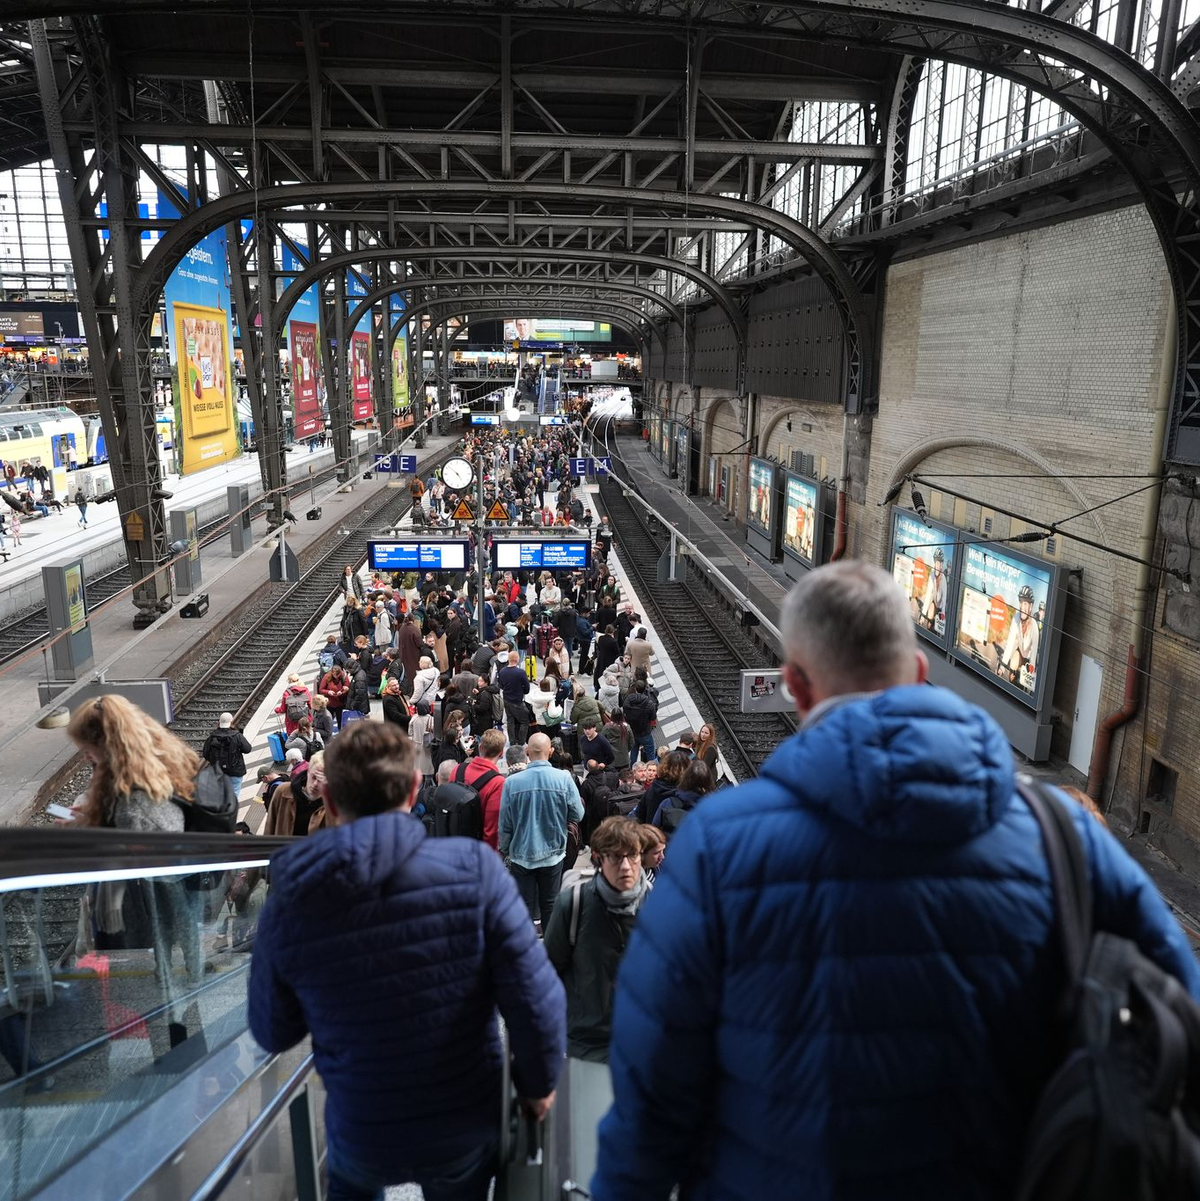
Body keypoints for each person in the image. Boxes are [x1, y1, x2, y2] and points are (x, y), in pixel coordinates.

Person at [592, 561, 1200, 1201]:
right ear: (917, 671)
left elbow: (654, 1088)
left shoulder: (719, 846)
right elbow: (1175, 1017)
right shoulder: (1065, 837)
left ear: (795, 685)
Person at [249, 721, 565, 1201]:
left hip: (361, 1124)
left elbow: (274, 1029)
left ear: (331, 800)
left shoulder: (293, 888)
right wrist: (537, 1085)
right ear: (416, 787)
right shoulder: (474, 870)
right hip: (462, 1120)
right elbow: (534, 999)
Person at [544, 816, 650, 1064]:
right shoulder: (574, 903)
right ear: (599, 859)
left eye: (632, 856)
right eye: (615, 857)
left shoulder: (659, 906)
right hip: (587, 1040)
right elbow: (549, 971)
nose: (626, 867)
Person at [66, 695, 198, 831]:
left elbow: (124, 850)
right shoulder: (163, 767)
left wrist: (85, 828)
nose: (87, 757)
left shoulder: (133, 810)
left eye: (87, 749)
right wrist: (93, 814)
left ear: (107, 747)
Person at [498, 733, 584, 932]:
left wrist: (505, 849)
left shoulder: (511, 782)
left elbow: (505, 824)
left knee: (524, 907)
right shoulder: (563, 778)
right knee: (550, 904)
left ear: (527, 752)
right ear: (551, 751)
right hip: (553, 853)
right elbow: (577, 814)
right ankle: (550, 949)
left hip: (520, 854)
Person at [460, 728, 508, 852]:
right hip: (476, 848)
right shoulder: (497, 782)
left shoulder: (458, 770)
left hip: (453, 841)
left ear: (480, 747)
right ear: (501, 753)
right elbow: (491, 830)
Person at [652, 760, 714, 832]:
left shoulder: (668, 803)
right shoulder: (712, 810)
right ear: (708, 782)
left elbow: (654, 830)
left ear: (685, 778)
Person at [201, 712, 252, 797]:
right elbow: (247, 749)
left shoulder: (212, 737)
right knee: (235, 792)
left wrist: (214, 761)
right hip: (235, 770)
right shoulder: (237, 736)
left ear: (219, 723)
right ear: (231, 722)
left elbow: (205, 753)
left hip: (218, 771)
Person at [999, 583, 1040, 687]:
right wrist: (1002, 667)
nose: (1022, 606)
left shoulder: (1034, 626)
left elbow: (1034, 653)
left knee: (1026, 683)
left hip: (1030, 658)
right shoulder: (1016, 618)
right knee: (1012, 666)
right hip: (1021, 653)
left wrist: (1030, 676)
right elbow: (1010, 644)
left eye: (1025, 603)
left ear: (1031, 606)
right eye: (1021, 602)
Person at [498, 650, 532, 745]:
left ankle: (512, 741)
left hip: (506, 699)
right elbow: (527, 688)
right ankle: (521, 742)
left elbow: (500, 685)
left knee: (510, 721)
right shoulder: (520, 672)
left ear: (508, 659)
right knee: (524, 721)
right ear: (517, 659)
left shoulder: (502, 671)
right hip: (517, 701)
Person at [624, 679, 658, 766]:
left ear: (635, 689)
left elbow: (625, 712)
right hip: (645, 732)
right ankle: (651, 769)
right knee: (650, 753)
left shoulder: (628, 700)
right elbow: (653, 717)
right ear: (644, 689)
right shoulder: (649, 703)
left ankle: (633, 769)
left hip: (633, 731)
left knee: (633, 752)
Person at [319, 663, 351, 727]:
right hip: (330, 703)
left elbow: (347, 687)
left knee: (341, 721)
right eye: (334, 675)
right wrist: (328, 692)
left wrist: (342, 692)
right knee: (329, 720)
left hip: (340, 703)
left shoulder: (344, 677)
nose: (336, 677)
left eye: (338, 675)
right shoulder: (327, 677)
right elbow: (321, 690)